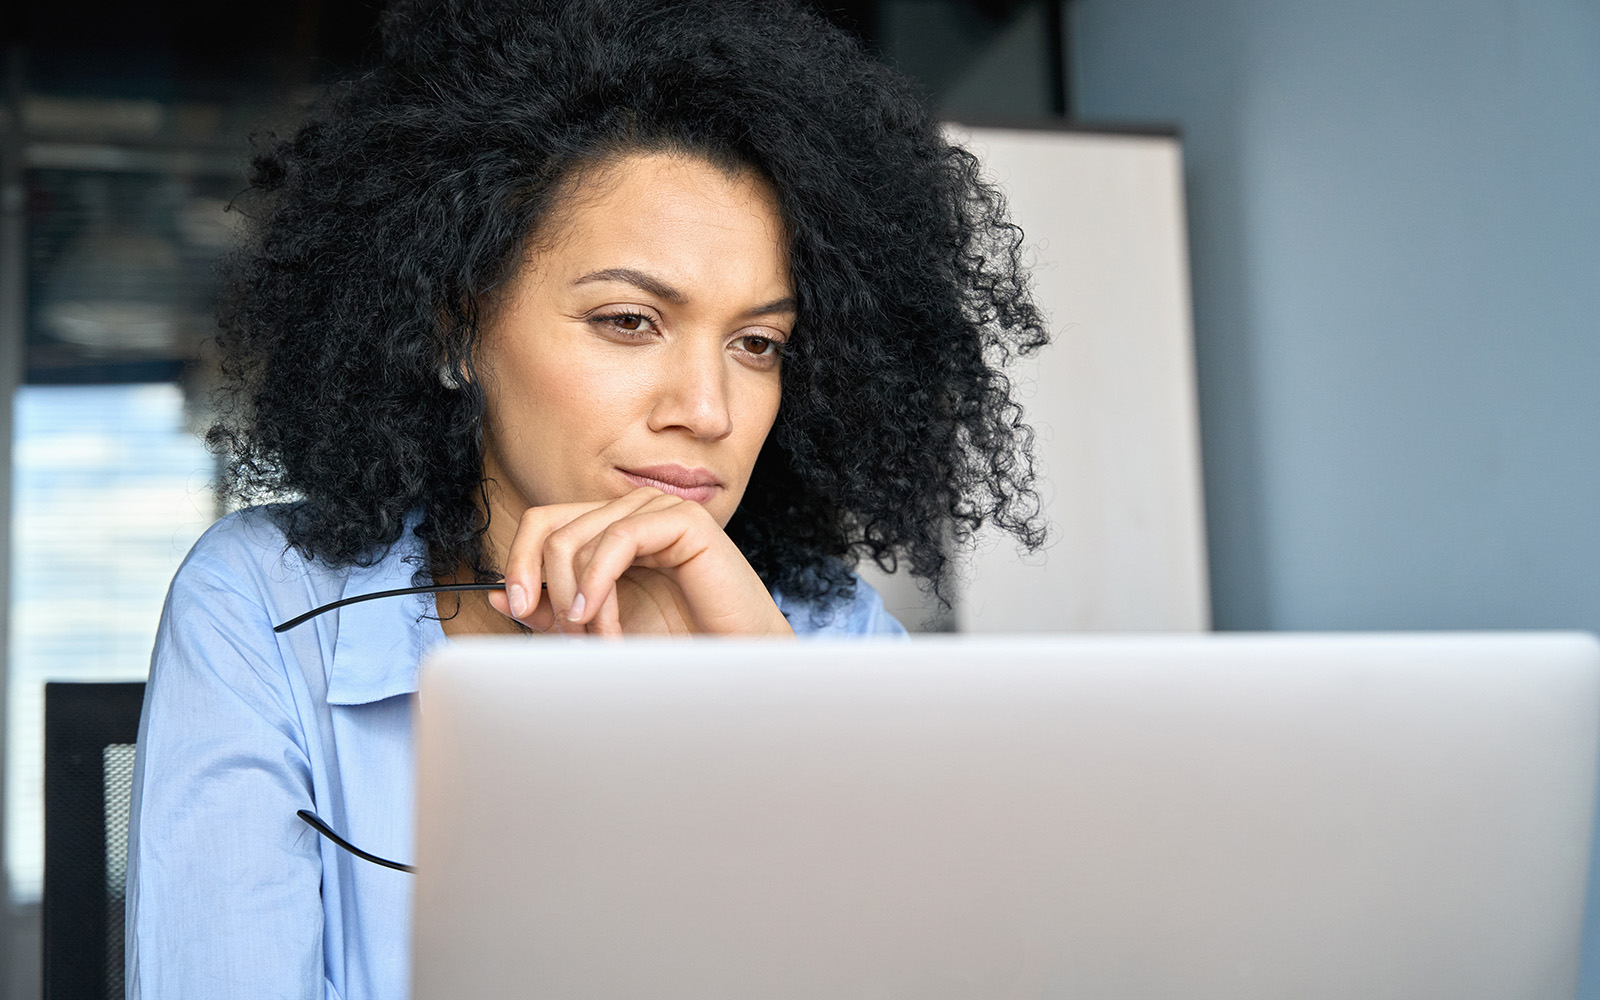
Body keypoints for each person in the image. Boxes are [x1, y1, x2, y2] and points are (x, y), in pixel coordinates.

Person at [125, 0, 1049, 997]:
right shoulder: (266, 608)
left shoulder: (826, 638)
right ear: (451, 331)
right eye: (628, 320)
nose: (707, 409)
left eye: (758, 345)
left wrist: (767, 713)